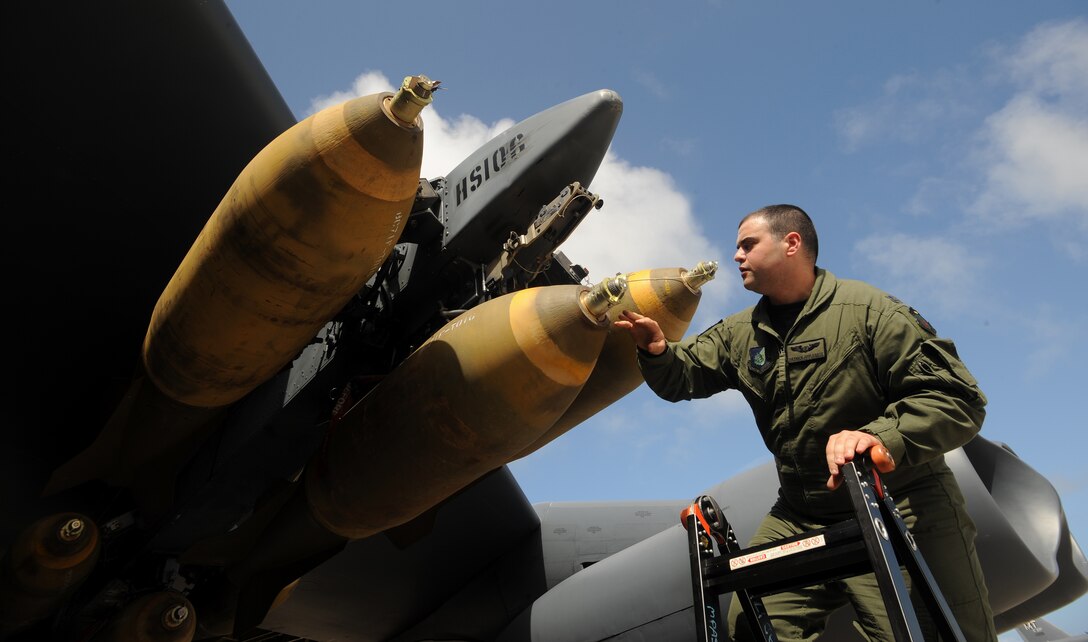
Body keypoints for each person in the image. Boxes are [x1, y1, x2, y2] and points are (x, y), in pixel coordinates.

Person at [615, 204, 996, 641]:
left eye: (748, 244)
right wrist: (657, 351)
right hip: (801, 513)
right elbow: (683, 377)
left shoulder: (870, 312)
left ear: (791, 243)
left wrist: (878, 436)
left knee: (933, 632)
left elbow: (958, 398)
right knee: (751, 627)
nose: (737, 256)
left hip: (901, 503)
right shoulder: (741, 332)